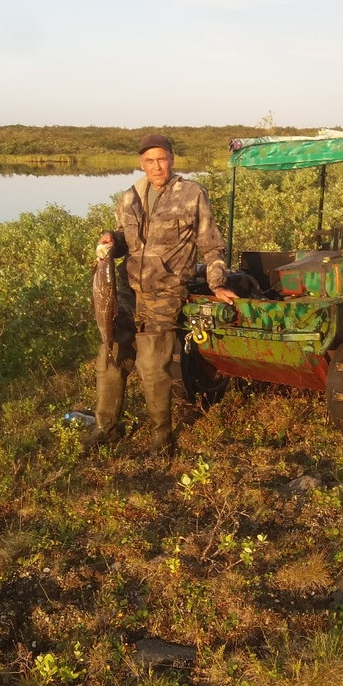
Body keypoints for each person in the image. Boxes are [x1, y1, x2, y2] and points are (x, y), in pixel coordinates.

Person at [85, 133, 238, 458]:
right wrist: (111, 240)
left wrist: (217, 284)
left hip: (165, 294)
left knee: (153, 367)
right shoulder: (129, 197)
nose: (157, 166)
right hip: (125, 294)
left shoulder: (192, 193)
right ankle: (106, 428)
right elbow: (127, 239)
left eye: (162, 159)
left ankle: (162, 438)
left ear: (172, 159)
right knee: (110, 359)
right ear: (142, 163)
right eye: (150, 161)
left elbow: (210, 245)